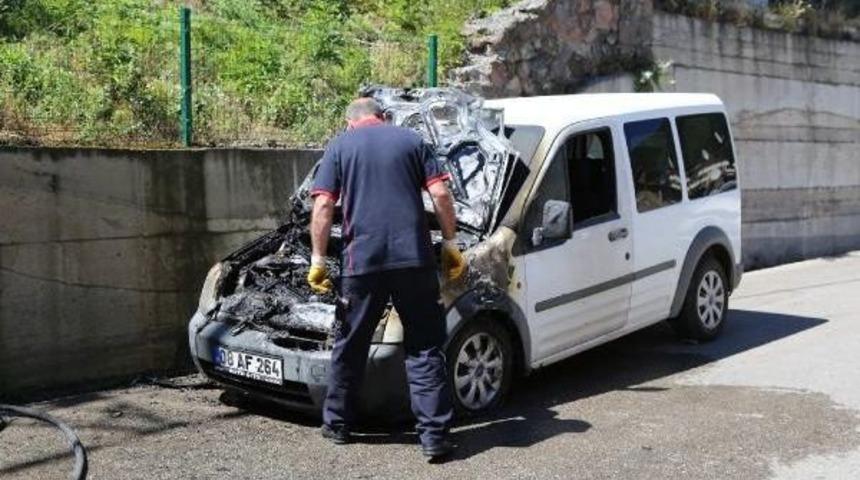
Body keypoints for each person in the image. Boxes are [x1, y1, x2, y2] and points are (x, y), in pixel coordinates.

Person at [306, 97, 466, 459]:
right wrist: (452, 244)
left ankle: (338, 425)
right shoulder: (412, 141)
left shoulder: (340, 145)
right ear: (383, 117)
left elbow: (323, 205)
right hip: (414, 261)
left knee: (351, 343)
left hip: (362, 262)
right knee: (424, 346)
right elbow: (440, 193)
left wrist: (318, 259)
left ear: (350, 122)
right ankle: (434, 438)